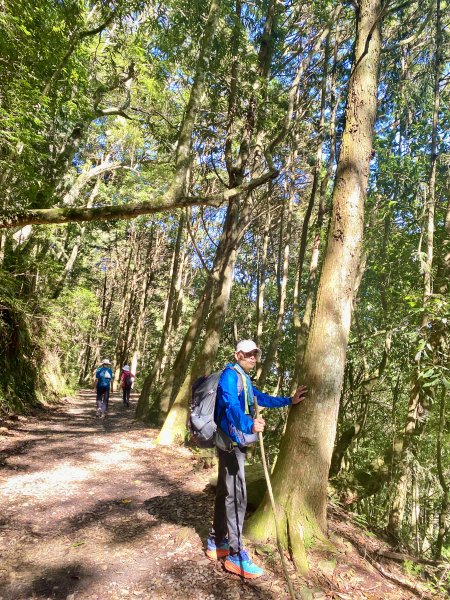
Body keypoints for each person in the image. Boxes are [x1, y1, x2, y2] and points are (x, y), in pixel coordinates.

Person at [205, 340, 307, 579]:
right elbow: (230, 406)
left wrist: (288, 400)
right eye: (249, 354)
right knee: (237, 496)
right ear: (238, 354)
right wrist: (249, 424)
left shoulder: (244, 379)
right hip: (230, 444)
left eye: (256, 354)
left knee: (225, 493)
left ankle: (216, 541)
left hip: (233, 443)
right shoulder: (230, 376)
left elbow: (259, 398)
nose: (253, 357)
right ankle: (234, 554)